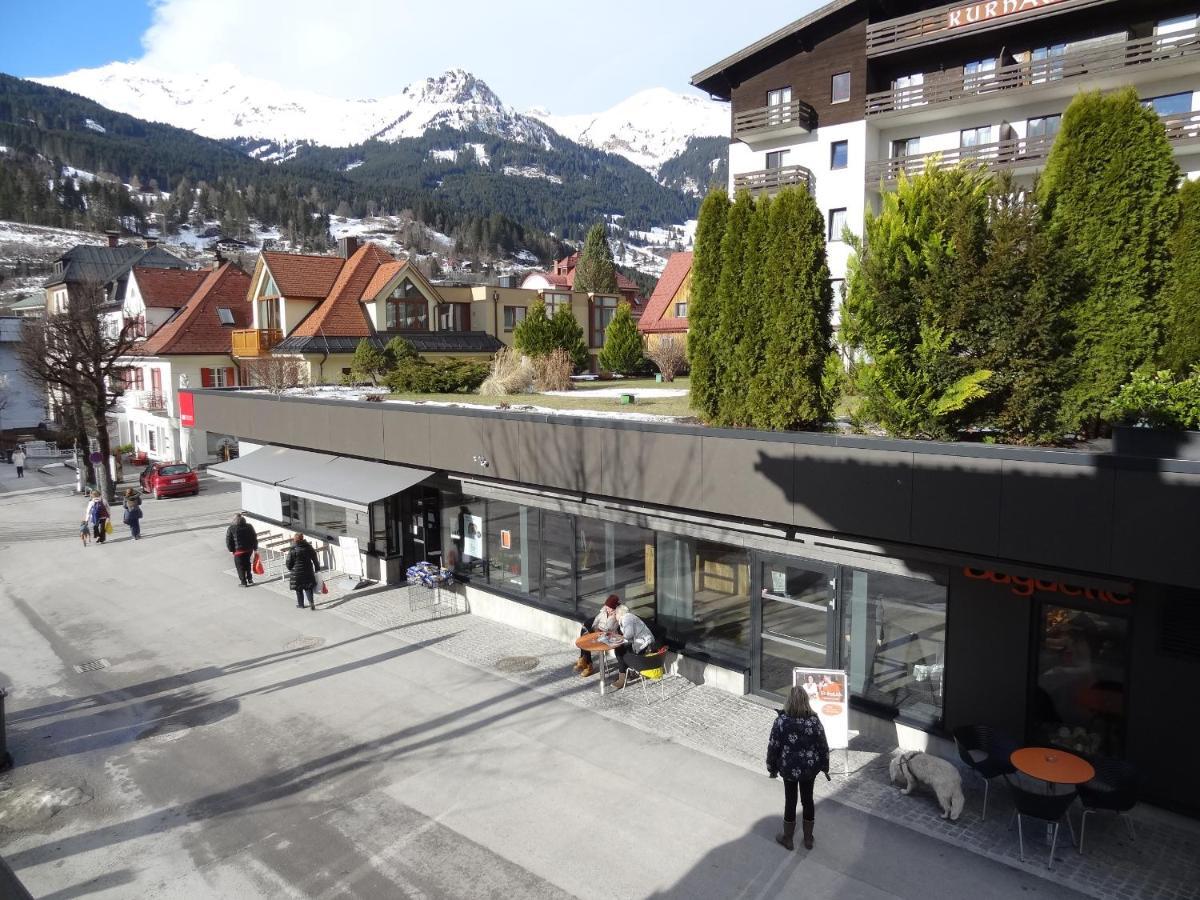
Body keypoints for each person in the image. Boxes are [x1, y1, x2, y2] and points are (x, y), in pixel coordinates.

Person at [766, 686, 830, 852]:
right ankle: (808, 838)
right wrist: (824, 766)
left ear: (789, 701)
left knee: (791, 800)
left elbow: (773, 747)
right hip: (809, 769)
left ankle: (788, 838)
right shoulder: (814, 722)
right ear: (805, 701)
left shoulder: (781, 722)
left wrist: (771, 768)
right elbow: (823, 746)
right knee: (807, 800)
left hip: (788, 768)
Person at [574, 595, 627, 678]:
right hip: (598, 632)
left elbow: (616, 629)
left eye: (609, 608)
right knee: (584, 631)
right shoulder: (604, 611)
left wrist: (604, 632)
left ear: (614, 607)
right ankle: (585, 661)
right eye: (606, 607)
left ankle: (586, 663)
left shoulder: (618, 614)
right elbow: (596, 621)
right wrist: (595, 630)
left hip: (608, 636)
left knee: (586, 635)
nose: (607, 609)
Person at [611, 609, 659, 691]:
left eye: (615, 614)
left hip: (644, 646)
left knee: (619, 652)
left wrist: (617, 639)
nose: (615, 616)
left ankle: (623, 678)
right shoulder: (629, 617)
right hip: (643, 643)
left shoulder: (626, 619)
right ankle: (625, 674)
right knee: (620, 650)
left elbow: (628, 635)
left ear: (620, 613)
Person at [285, 532, 321, 610]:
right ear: (302, 538)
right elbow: (315, 558)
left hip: (296, 572)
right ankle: (311, 602)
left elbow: (288, 562)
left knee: (299, 589)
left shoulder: (293, 549)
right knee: (308, 587)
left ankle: (301, 604)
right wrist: (317, 568)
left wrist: (290, 568)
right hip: (308, 570)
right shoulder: (308, 547)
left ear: (295, 539)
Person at [225, 513, 259, 586]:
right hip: (249, 549)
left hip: (238, 551)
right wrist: (255, 548)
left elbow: (228, 541)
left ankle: (243, 582)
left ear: (234, 520)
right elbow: (254, 537)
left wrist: (231, 550)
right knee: (247, 563)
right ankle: (250, 579)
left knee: (240, 566)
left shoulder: (231, 528)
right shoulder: (249, 526)